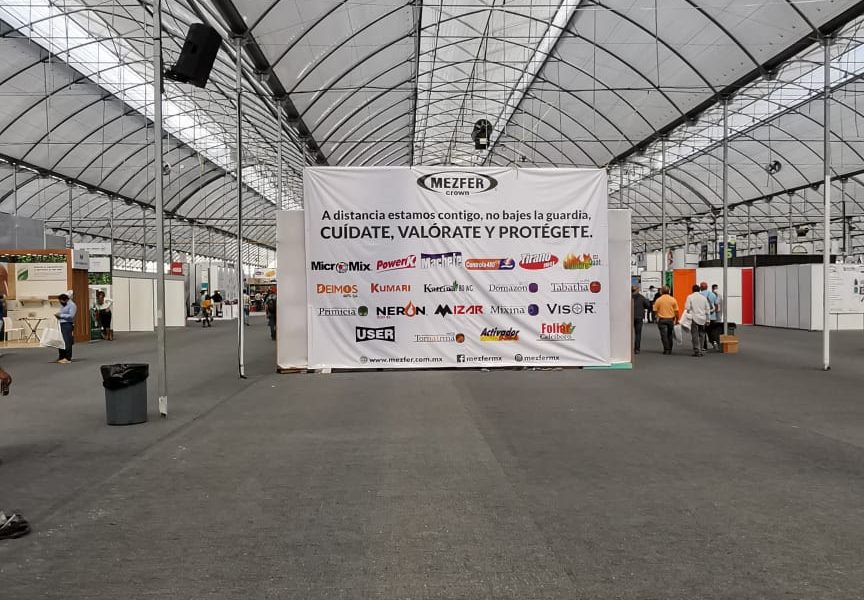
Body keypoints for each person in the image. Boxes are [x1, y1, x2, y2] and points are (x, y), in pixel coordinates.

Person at [684, 284, 712, 357]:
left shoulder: (690, 297)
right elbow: (707, 309)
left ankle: (697, 350)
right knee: (702, 334)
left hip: (694, 318)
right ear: (699, 290)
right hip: (703, 318)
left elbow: (687, 308)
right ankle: (701, 349)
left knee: (695, 335)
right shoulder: (703, 298)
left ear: (692, 290)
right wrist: (708, 320)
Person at [653, 285, 679, 355]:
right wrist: (677, 319)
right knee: (670, 334)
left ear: (661, 292)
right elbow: (676, 311)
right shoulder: (673, 299)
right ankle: (670, 348)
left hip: (662, 320)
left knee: (664, 335)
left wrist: (656, 316)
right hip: (670, 319)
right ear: (669, 291)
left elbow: (655, 310)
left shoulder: (658, 300)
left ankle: (666, 349)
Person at [55, 292, 76, 363]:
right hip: (61, 323)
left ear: (66, 299)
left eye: (61, 301)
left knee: (67, 341)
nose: (60, 303)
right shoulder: (62, 305)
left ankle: (68, 358)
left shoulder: (72, 305)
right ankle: (61, 357)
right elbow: (62, 313)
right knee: (61, 341)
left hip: (67, 324)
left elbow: (71, 315)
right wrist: (58, 316)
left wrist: (61, 315)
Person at [632, 286, 652, 354]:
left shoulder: (628, 296)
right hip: (639, 316)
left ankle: (627, 349)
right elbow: (648, 306)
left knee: (628, 333)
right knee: (638, 333)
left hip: (630, 316)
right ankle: (637, 349)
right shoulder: (641, 297)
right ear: (637, 290)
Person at [700, 282, 718, 351]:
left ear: (701, 287)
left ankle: (704, 347)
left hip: (704, 317)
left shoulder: (700, 295)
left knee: (703, 332)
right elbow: (716, 305)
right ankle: (714, 343)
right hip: (713, 317)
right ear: (707, 287)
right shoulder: (713, 294)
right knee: (712, 332)